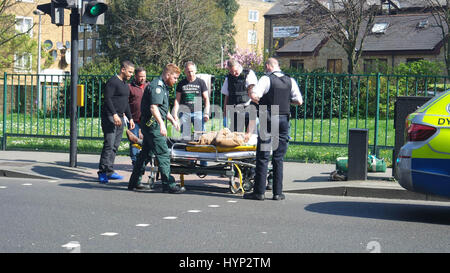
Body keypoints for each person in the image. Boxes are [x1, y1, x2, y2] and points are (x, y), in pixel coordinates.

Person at [243, 58, 303, 201]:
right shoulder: (290, 80)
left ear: (269, 67)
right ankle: (277, 193)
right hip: (284, 119)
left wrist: (262, 100)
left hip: (268, 117)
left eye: (266, 66)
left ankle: (259, 192)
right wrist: (287, 101)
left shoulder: (266, 79)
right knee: (278, 157)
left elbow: (254, 95)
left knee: (263, 156)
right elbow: (299, 101)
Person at [128, 63, 184, 193]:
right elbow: (154, 107)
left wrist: (172, 120)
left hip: (150, 125)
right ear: (168, 74)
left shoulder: (163, 86)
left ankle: (134, 182)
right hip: (152, 125)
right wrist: (162, 124)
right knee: (163, 152)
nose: (175, 81)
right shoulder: (157, 87)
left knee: (145, 154)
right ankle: (168, 184)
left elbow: (162, 109)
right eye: (174, 78)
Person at [97, 60, 135, 184]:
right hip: (110, 117)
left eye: (132, 72)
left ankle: (110, 170)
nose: (131, 74)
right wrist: (114, 114)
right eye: (129, 71)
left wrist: (130, 118)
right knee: (109, 144)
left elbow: (126, 103)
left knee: (115, 145)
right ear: (123, 69)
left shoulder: (125, 85)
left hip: (120, 118)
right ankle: (102, 172)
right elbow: (107, 99)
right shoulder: (113, 82)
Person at [172, 61, 210, 166]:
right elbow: (177, 100)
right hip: (185, 112)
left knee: (200, 138)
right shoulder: (181, 83)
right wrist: (175, 113)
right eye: (188, 71)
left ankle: (203, 163)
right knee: (186, 138)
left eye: (192, 71)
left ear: (196, 71)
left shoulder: (201, 82)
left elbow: (206, 98)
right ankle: (190, 161)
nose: (190, 73)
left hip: (198, 112)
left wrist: (206, 113)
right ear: (185, 71)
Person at [220, 59, 258, 133]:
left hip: (248, 107)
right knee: (235, 135)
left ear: (239, 66)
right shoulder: (228, 78)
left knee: (251, 135)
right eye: (231, 71)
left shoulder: (249, 74)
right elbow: (226, 97)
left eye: (235, 71)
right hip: (235, 110)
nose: (234, 73)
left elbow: (254, 93)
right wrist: (224, 114)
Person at [128, 67, 148, 166]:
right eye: (140, 77)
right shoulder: (130, 87)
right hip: (133, 120)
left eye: (144, 76)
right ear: (135, 76)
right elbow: (126, 103)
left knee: (146, 142)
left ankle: (143, 161)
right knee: (134, 143)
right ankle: (135, 162)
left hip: (146, 120)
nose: (142, 79)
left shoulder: (148, 86)